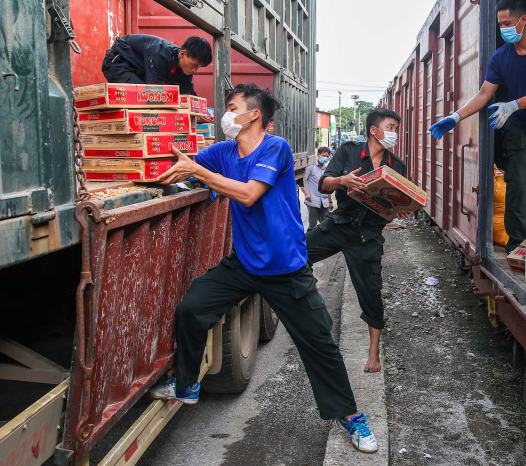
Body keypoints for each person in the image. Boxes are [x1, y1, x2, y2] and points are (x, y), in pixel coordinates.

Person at [149, 83, 378, 453]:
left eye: (231, 106)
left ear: (253, 114)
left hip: (286, 268)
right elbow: (188, 165)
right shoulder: (224, 152)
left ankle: (350, 416)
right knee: (192, 308)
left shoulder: (276, 148)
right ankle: (187, 383)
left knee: (319, 344)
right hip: (245, 263)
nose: (225, 114)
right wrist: (172, 170)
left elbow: (248, 193)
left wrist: (200, 173)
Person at [429, 0, 526, 254]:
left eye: (508, 22)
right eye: (500, 24)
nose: (504, 28)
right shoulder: (500, 57)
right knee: (517, 186)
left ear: (523, 20)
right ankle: (518, 248)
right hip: (520, 127)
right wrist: (455, 117)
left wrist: (513, 104)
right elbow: (484, 94)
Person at [306, 108, 411, 374]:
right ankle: (307, 304)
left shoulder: (397, 165)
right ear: (374, 130)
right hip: (339, 225)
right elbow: (324, 184)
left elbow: (395, 205)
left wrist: (400, 209)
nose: (395, 133)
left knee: (371, 295)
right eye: (391, 127)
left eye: (397, 128)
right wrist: (342, 180)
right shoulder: (348, 152)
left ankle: (373, 353)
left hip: (368, 237)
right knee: (296, 254)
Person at [101, 34, 212, 96]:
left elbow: (187, 92)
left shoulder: (185, 69)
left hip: (140, 70)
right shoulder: (160, 55)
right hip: (119, 63)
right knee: (142, 95)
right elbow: (155, 92)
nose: (195, 70)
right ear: (183, 54)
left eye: (198, 67)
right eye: (194, 65)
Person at [301, 147, 334, 230]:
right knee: (312, 226)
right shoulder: (310, 168)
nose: (325, 158)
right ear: (318, 155)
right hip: (313, 201)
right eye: (323, 156)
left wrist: (330, 201)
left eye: (327, 156)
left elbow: (328, 187)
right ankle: (309, 242)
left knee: (325, 226)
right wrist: (306, 194)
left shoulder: (327, 170)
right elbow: (302, 183)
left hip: (325, 202)